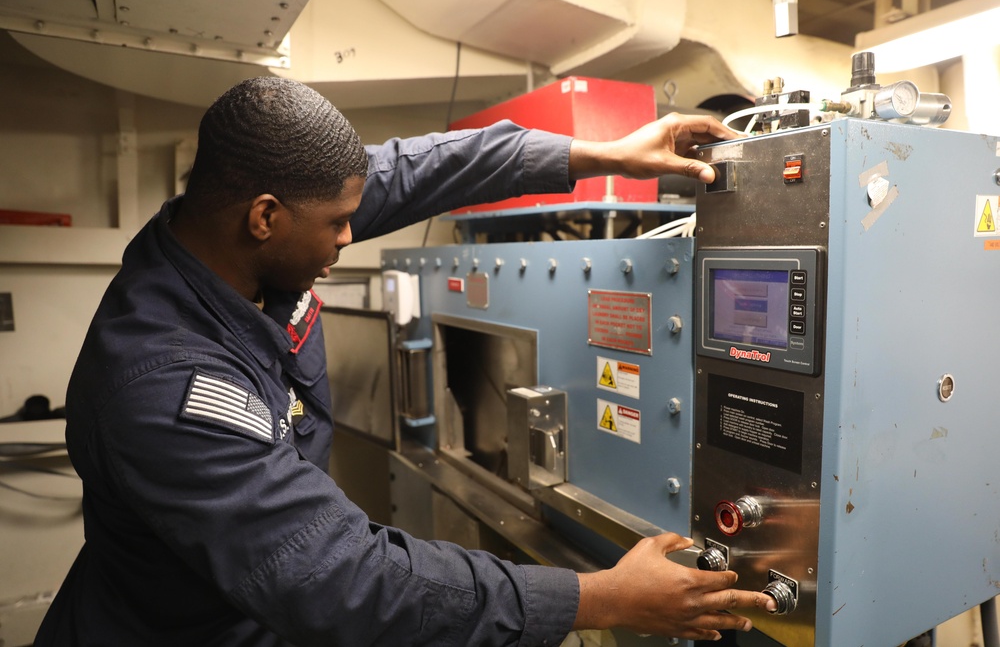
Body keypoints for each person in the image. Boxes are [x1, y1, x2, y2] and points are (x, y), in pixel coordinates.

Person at [35, 76, 774, 646]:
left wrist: (600, 155)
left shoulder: (233, 229)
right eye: (337, 225)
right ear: (264, 216)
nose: (351, 234)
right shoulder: (164, 385)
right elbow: (343, 578)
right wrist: (602, 597)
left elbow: (417, 167)